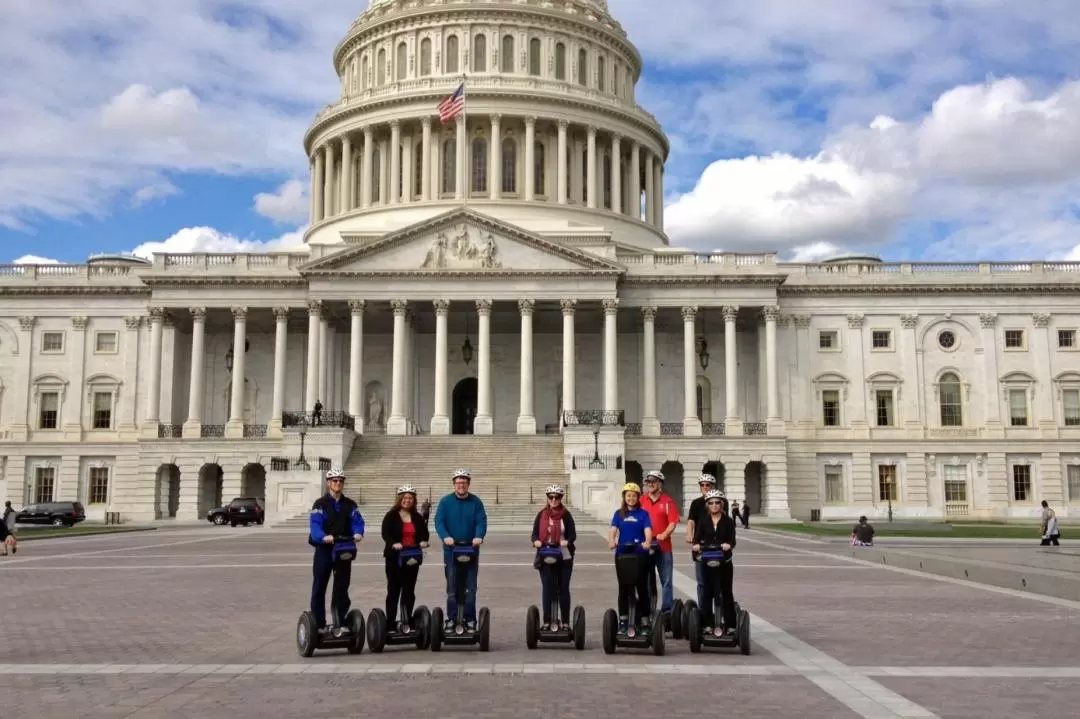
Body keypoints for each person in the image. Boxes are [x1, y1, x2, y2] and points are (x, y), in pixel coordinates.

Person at [308, 467, 366, 636]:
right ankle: (319, 623)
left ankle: (339, 621)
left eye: (341, 481)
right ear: (328, 483)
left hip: (343, 548)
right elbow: (315, 525)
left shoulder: (350, 504)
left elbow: (357, 521)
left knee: (342, 587)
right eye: (335, 480)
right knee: (319, 586)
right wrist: (322, 536)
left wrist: (358, 532)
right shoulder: (320, 504)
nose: (338, 483)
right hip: (325, 549)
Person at [434, 468, 488, 631]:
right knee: (452, 587)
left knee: (470, 587)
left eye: (464, 483)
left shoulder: (476, 502)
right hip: (451, 550)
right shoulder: (445, 502)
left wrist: (478, 536)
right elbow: (439, 522)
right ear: (454, 484)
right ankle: (451, 619)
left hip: (471, 550)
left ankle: (470, 619)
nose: (461, 485)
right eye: (458, 483)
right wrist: (445, 537)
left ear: (468, 484)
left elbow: (481, 521)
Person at [380, 485, 430, 631]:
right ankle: (390, 623)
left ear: (414, 500)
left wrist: (422, 541)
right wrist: (393, 543)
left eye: (410, 498)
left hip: (412, 557)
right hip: (394, 558)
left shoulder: (417, 517)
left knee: (409, 590)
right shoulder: (391, 515)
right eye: (405, 498)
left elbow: (423, 533)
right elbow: (385, 534)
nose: (407, 501)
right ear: (399, 499)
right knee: (394, 590)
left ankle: (406, 620)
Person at [608, 482, 654, 633]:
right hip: (622, 554)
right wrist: (612, 541)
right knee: (624, 588)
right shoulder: (619, 514)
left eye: (634, 496)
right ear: (624, 497)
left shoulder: (643, 514)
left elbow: (648, 530)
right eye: (628, 495)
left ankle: (644, 619)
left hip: (640, 554)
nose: (631, 498)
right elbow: (613, 530)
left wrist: (647, 542)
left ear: (638, 497)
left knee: (641, 587)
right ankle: (623, 619)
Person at [691, 489, 738, 635]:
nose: (715, 505)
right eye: (711, 503)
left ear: (722, 504)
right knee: (707, 592)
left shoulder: (728, 521)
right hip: (707, 560)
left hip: (724, 561)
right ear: (707, 505)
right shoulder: (704, 521)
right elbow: (696, 539)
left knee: (726, 592)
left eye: (718, 502)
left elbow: (732, 540)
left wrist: (728, 545)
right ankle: (707, 624)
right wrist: (696, 545)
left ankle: (730, 624)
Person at [531, 484, 578, 629]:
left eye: (557, 497)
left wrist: (567, 541)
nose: (554, 499)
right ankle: (547, 621)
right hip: (546, 555)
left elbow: (572, 534)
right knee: (548, 588)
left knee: (563, 588)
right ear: (547, 498)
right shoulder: (541, 514)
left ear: (561, 498)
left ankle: (564, 621)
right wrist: (536, 541)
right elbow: (534, 534)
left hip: (564, 557)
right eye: (551, 497)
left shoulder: (566, 514)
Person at [639, 469, 679, 618]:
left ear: (660, 484)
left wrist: (665, 534)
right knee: (647, 580)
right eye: (649, 482)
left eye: (654, 482)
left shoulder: (667, 501)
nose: (651, 484)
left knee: (666, 580)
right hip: (646, 545)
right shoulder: (642, 500)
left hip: (663, 546)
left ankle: (667, 611)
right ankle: (648, 610)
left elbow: (673, 522)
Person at [685, 474, 720, 615]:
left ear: (712, 486)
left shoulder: (720, 502)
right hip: (700, 544)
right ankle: (704, 611)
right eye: (703, 485)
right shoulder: (696, 503)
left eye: (708, 485)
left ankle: (719, 612)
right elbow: (691, 521)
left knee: (718, 582)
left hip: (717, 546)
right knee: (701, 582)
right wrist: (689, 535)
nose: (705, 487)